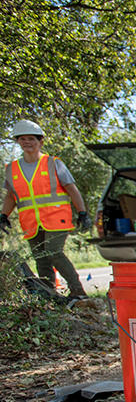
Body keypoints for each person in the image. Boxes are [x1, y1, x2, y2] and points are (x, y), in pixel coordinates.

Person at [1, 120, 91, 298]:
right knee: (41, 259)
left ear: (40, 142)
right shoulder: (12, 169)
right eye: (23, 139)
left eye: (32, 139)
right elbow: (11, 196)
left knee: (54, 252)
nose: (27, 142)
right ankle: (49, 295)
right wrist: (3, 215)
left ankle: (78, 290)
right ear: (18, 141)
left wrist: (82, 213)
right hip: (31, 222)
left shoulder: (53, 163)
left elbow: (72, 189)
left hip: (57, 218)